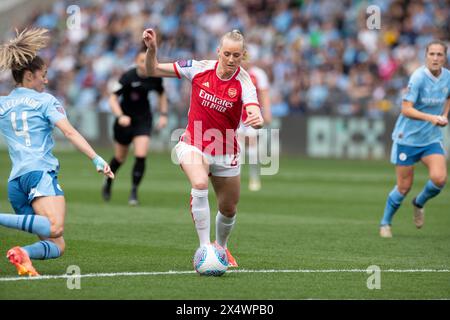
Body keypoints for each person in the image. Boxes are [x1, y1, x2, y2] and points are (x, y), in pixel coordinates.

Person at [142, 28, 264, 267]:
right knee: (199, 183)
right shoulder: (198, 68)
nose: (230, 59)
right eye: (227, 53)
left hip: (226, 151)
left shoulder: (244, 81)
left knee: (228, 208)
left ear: (243, 56)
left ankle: (221, 247)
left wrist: (257, 119)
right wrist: (153, 50)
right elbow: (152, 69)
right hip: (192, 143)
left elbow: (253, 109)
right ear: (218, 51)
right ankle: (204, 248)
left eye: (236, 55)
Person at [0, 28, 114, 276]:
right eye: (44, 75)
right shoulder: (45, 101)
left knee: (57, 244)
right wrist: (95, 158)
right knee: (55, 227)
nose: (47, 80)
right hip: (39, 174)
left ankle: (25, 254)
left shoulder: (3, 103)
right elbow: (70, 132)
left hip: (15, 182)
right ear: (29, 75)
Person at [379, 40, 449, 238]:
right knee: (403, 187)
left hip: (431, 139)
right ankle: (385, 223)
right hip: (407, 139)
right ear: (426, 56)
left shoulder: (448, 78)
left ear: (445, 58)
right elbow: (406, 109)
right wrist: (432, 118)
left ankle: (419, 203)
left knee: (440, 179)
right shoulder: (418, 77)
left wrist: (444, 114)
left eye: (439, 55)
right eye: (432, 54)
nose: (435, 58)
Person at [101, 44, 168, 206]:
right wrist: (120, 116)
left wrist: (163, 114)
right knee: (120, 158)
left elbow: (161, 93)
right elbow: (112, 98)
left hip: (143, 120)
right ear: (136, 62)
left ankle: (133, 192)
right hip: (125, 121)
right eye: (141, 61)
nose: (145, 64)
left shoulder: (155, 77)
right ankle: (108, 181)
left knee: (141, 154)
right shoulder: (127, 77)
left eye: (147, 61)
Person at [238, 58, 272, 191]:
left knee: (252, 145)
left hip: (253, 116)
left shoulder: (258, 74)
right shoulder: (236, 73)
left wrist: (267, 112)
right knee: (238, 148)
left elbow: (264, 94)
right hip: (237, 117)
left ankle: (254, 177)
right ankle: (236, 178)